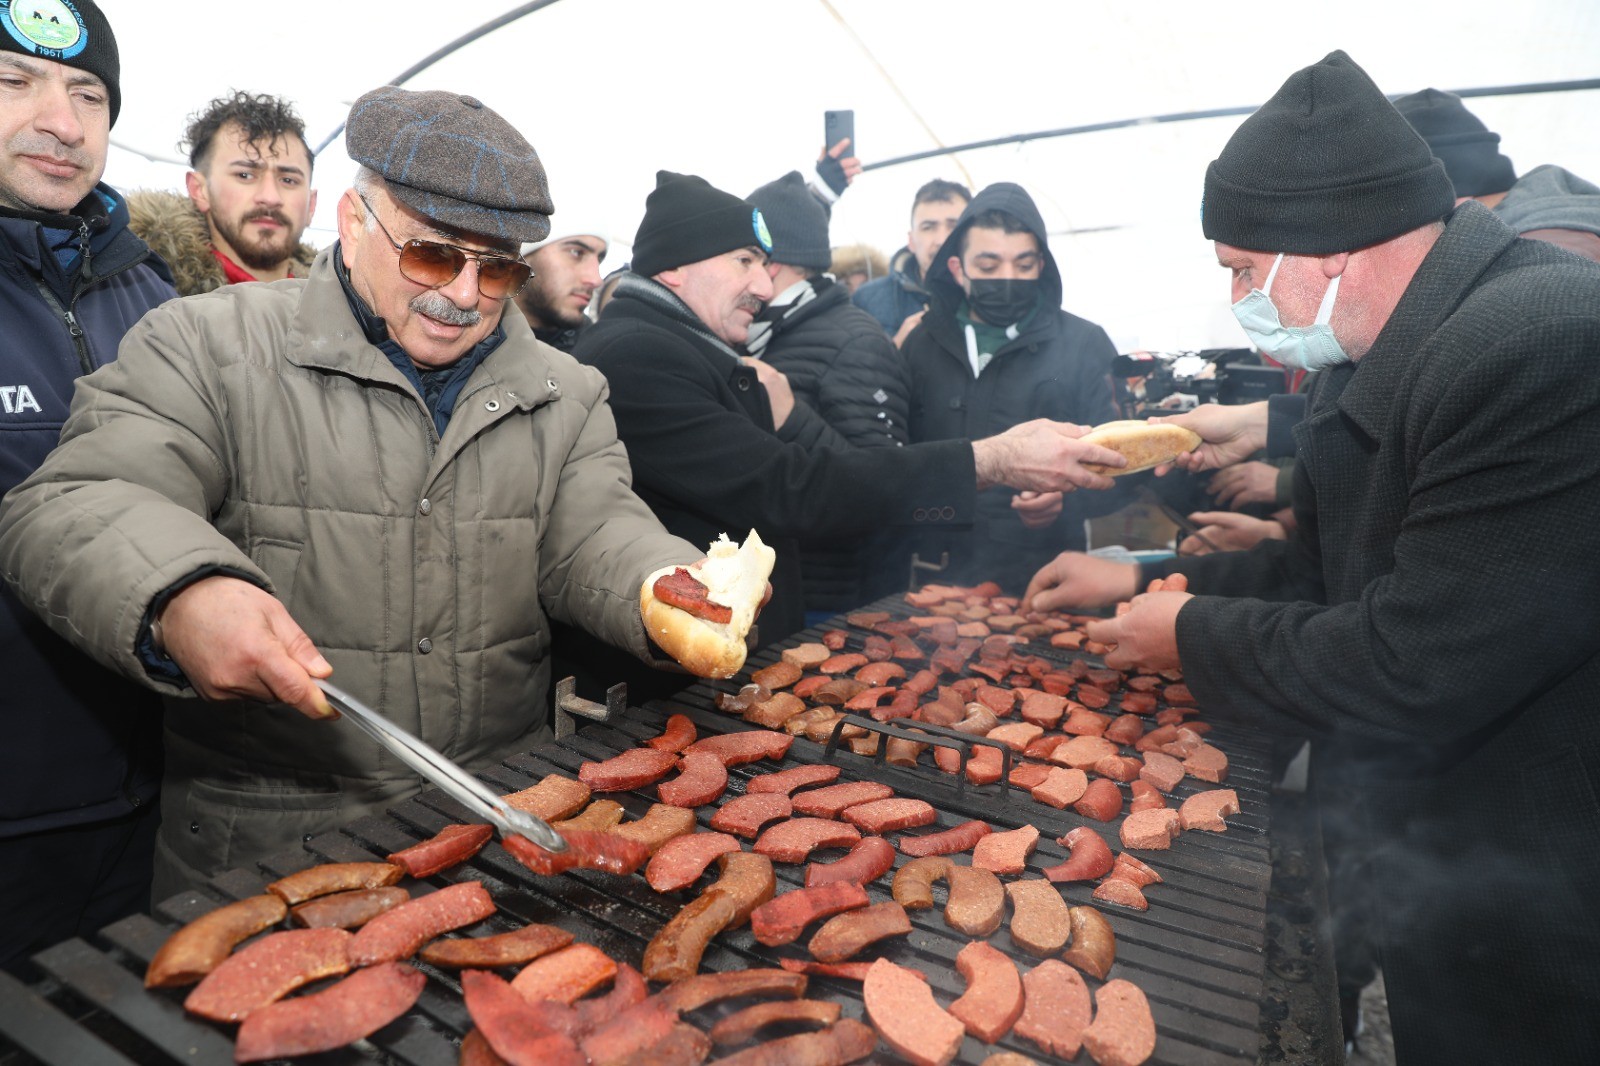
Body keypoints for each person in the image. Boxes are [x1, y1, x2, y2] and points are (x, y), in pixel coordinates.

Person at [1024, 51, 1600, 1065]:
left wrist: (1191, 634)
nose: (1239, 297)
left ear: (1328, 250)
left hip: (1547, 878)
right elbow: (1314, 577)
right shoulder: (1369, 352)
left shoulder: (1541, 340)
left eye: (1244, 269)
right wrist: (1144, 581)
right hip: (1431, 850)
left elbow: (1415, 660)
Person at [0, 87, 702, 897]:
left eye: (499, 269)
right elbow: (78, 496)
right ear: (354, 220)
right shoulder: (205, 343)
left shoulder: (567, 389)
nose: (464, 295)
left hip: (498, 821)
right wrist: (179, 591)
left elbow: (597, 532)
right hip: (272, 844)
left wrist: (665, 585)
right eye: (433, 256)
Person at [565, 171, 1126, 699]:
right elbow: (788, 487)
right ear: (674, 268)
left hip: (721, 656)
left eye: (765, 264)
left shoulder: (679, 346)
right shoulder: (638, 355)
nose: (764, 284)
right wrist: (991, 460)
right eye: (745, 261)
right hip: (667, 675)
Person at [0, 0, 178, 977]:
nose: (62, 122)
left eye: (89, 94)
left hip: (144, 800)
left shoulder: (151, 295)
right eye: (12, 82)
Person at [900, 182, 1121, 593]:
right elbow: (894, 462)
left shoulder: (1084, 344)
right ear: (957, 268)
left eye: (1023, 265)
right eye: (988, 266)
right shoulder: (920, 344)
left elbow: (1122, 464)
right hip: (934, 582)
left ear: (1041, 265)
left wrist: (1067, 497)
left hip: (1044, 584)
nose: (1007, 277)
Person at [744, 170, 910, 617]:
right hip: (772, 590)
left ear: (768, 263)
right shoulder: (760, 331)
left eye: (742, 258)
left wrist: (791, 416)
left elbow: (887, 488)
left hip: (827, 605)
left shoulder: (855, 342)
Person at [129, 91, 318, 296]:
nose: (270, 197)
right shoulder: (143, 297)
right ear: (199, 190)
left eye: (288, 180)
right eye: (245, 175)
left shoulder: (339, 303)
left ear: (311, 205)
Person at [853, 177, 970, 346]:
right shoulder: (867, 301)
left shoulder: (995, 293)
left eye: (953, 226)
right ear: (911, 240)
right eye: (928, 227)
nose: (941, 240)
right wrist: (895, 350)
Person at [514, 224, 608, 351]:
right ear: (523, 256)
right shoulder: (485, 334)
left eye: (599, 260)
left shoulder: (596, 352)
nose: (596, 280)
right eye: (576, 252)